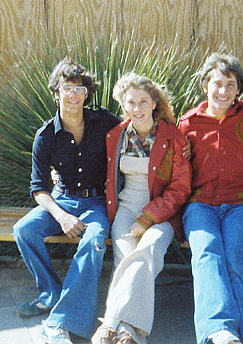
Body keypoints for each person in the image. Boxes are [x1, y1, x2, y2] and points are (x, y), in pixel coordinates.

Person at [12, 57, 120, 344]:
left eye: (80, 89)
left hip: (96, 203)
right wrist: (61, 216)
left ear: (87, 94)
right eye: (67, 88)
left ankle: (60, 321)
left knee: (95, 240)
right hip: (61, 201)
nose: (74, 94)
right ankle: (51, 295)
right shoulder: (45, 135)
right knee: (24, 230)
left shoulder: (105, 121)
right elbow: (39, 189)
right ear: (56, 93)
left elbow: (138, 132)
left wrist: (178, 144)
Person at [91, 72, 192, 344]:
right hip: (124, 211)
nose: (137, 108)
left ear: (154, 104)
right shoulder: (116, 136)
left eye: (143, 101)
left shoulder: (173, 138)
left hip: (162, 215)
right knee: (126, 257)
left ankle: (110, 323)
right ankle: (130, 332)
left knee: (148, 251)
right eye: (131, 102)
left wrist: (148, 218)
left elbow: (179, 189)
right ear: (124, 105)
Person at [177, 53, 243, 344]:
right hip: (200, 204)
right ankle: (221, 332)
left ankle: (225, 335)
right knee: (206, 254)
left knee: (231, 262)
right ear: (205, 85)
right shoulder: (189, 122)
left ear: (239, 89)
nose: (223, 91)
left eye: (230, 84)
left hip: (241, 203)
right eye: (217, 83)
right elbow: (171, 165)